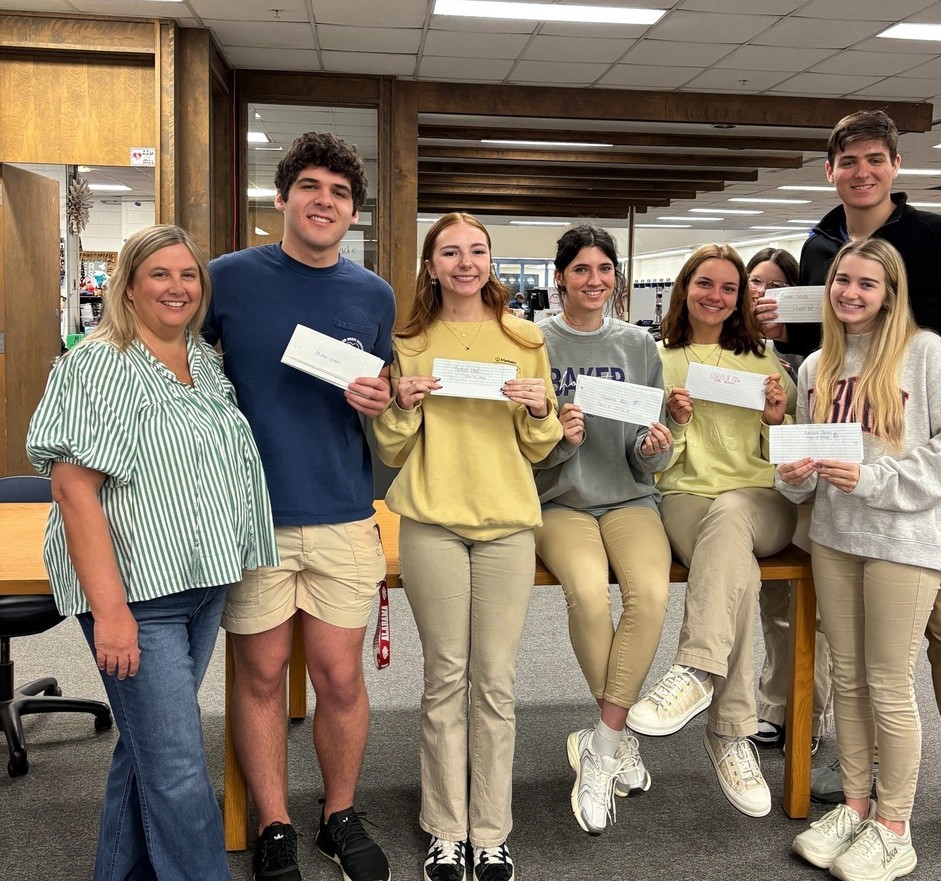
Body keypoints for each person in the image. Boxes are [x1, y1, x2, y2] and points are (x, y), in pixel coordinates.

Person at [756, 109, 941, 861]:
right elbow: (817, 358)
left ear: (895, 165)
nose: (861, 171)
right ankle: (863, 796)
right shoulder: (817, 245)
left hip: (921, 495)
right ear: (830, 169)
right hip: (845, 505)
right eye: (848, 160)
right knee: (860, 664)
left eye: (875, 159)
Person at [26, 224, 278, 881]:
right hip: (136, 593)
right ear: (129, 287)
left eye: (187, 274)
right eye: (159, 274)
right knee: (178, 768)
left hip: (198, 581)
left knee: (147, 753)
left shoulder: (203, 359)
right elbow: (73, 489)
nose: (176, 286)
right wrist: (110, 613)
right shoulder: (101, 362)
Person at [205, 132, 396, 881]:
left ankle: (337, 814)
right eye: (311, 187)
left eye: (341, 193)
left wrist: (381, 401)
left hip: (345, 511)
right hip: (255, 515)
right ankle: (275, 823)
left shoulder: (371, 294)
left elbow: (380, 397)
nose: (325, 201)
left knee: (339, 677)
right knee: (258, 675)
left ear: (353, 212)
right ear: (281, 198)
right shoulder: (227, 279)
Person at [781, 238, 941, 880]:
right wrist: (792, 474)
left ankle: (894, 827)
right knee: (847, 676)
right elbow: (806, 475)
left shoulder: (923, 354)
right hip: (839, 537)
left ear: (889, 294)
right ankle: (859, 805)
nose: (850, 293)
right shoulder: (817, 365)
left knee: (888, 679)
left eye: (867, 284)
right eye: (843, 280)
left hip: (908, 538)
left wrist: (874, 479)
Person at [373, 213, 561, 881]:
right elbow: (392, 448)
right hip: (432, 521)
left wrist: (542, 411)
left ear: (491, 261)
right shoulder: (409, 341)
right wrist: (404, 403)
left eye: (476, 250)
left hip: (508, 520)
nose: (464, 262)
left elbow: (538, 447)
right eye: (449, 251)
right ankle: (446, 829)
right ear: (430, 265)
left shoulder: (526, 337)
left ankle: (492, 830)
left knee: (496, 682)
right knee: (445, 678)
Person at [627, 243, 796, 818]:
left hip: (761, 500)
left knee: (732, 517)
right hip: (686, 498)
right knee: (737, 571)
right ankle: (730, 732)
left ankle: (698, 667)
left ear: (742, 296)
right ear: (684, 287)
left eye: (730, 288)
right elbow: (651, 461)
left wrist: (777, 419)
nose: (717, 297)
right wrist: (672, 427)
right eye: (706, 284)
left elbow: (789, 457)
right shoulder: (657, 357)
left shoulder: (764, 358)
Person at [532, 224, 673, 835]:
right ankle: (616, 737)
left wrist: (654, 446)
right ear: (561, 276)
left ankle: (604, 743)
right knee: (588, 594)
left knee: (652, 595)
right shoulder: (532, 341)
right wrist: (557, 440)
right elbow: (521, 444)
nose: (595, 281)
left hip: (629, 496)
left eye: (605, 269)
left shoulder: (640, 345)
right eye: (582, 269)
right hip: (559, 499)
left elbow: (650, 451)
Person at [744, 247, 833, 757]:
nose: (764, 294)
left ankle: (812, 714)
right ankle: (775, 706)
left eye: (777, 285)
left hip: (806, 495)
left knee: (813, 614)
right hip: (760, 492)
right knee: (774, 608)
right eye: (755, 282)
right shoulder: (737, 346)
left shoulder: (815, 353)